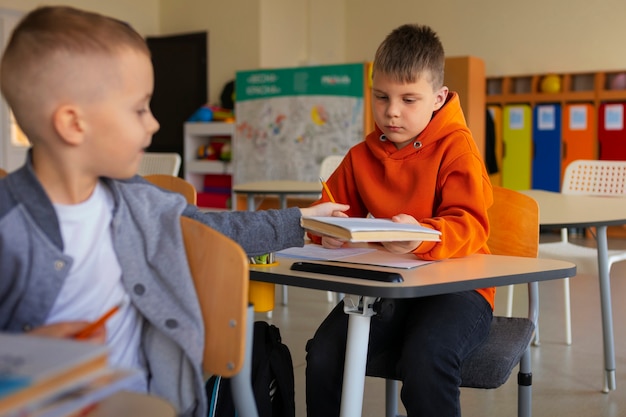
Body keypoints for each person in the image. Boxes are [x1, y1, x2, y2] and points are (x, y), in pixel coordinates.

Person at [0, 6, 348, 417]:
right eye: (139, 109)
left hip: (148, 399)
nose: (153, 124)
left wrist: (301, 222)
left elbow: (217, 228)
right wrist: (25, 355)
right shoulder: (10, 225)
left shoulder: (136, 200)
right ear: (74, 124)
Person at [305, 23, 494, 416]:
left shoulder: (458, 149)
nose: (392, 111)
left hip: (460, 290)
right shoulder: (362, 155)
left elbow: (471, 224)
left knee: (426, 359)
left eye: (409, 99)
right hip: (392, 283)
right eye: (381, 97)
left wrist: (422, 236)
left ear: (438, 97)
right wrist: (329, 232)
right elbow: (330, 209)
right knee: (323, 354)